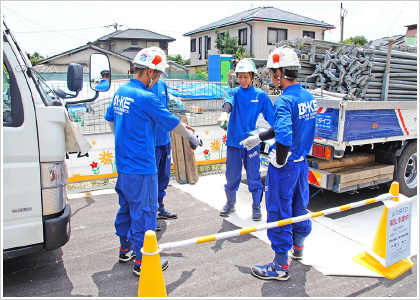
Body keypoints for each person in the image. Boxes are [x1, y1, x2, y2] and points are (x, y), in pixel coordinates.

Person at [104, 47, 202, 276]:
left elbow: (111, 120)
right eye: (157, 75)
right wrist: (191, 138)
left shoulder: (122, 92)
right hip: (142, 166)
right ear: (149, 72)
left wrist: (125, 139)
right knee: (146, 212)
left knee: (127, 207)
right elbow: (171, 121)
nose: (157, 80)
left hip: (125, 165)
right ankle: (143, 261)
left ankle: (125, 248)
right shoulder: (145, 97)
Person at [241, 46, 317, 281]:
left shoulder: (284, 100)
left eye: (272, 73)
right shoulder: (307, 97)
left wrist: (280, 160)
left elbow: (284, 135)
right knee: (299, 207)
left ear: (279, 73)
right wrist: (260, 136)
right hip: (302, 163)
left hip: (286, 168)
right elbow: (288, 127)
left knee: (279, 211)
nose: (271, 77)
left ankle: (280, 266)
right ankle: (299, 249)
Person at [217, 58, 274, 221]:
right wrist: (224, 114)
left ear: (252, 76)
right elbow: (228, 103)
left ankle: (256, 207)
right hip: (234, 142)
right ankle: (230, 202)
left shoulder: (260, 96)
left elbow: (272, 118)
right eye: (239, 76)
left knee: (254, 176)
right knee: (232, 175)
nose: (242, 80)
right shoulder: (233, 92)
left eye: (245, 77)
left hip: (252, 143)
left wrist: (278, 133)